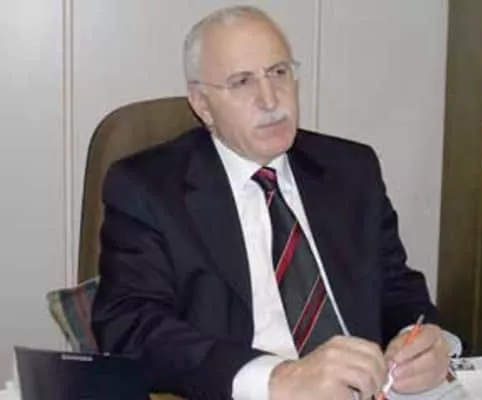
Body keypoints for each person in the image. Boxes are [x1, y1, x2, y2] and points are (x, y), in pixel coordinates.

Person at [92, 6, 454, 400]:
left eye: (278, 72)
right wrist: (277, 379)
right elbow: (131, 326)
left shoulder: (351, 170)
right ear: (202, 104)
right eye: (241, 82)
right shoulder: (148, 189)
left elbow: (396, 288)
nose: (269, 99)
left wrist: (421, 340)